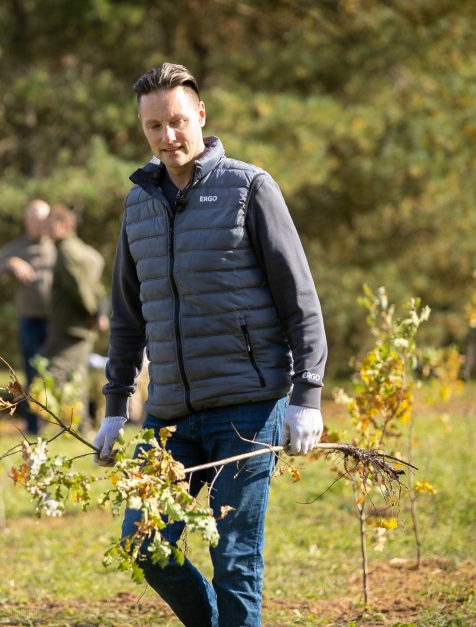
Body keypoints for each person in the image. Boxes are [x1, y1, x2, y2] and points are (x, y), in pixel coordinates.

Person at [95, 63, 327, 627]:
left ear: (200, 115)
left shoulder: (249, 188)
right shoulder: (138, 203)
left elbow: (300, 299)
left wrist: (308, 396)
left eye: (177, 121)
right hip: (170, 415)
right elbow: (129, 315)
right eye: (154, 126)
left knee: (235, 561)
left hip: (247, 407)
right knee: (145, 544)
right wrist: (113, 406)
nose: (168, 136)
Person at [0, 199, 55, 433]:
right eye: (35, 219)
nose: (40, 224)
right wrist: (9, 264)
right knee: (33, 375)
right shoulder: (16, 249)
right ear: (26, 222)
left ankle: (70, 423)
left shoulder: (59, 245)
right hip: (30, 321)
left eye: (44, 218)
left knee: (62, 372)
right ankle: (34, 427)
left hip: (58, 322)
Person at [40, 204, 106, 426]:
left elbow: (78, 286)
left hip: (71, 327)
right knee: (77, 376)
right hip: (75, 326)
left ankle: (69, 424)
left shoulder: (67, 250)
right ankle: (81, 424)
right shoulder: (75, 249)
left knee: (55, 372)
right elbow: (95, 267)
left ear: (67, 225)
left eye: (51, 225)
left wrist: (93, 312)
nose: (47, 229)